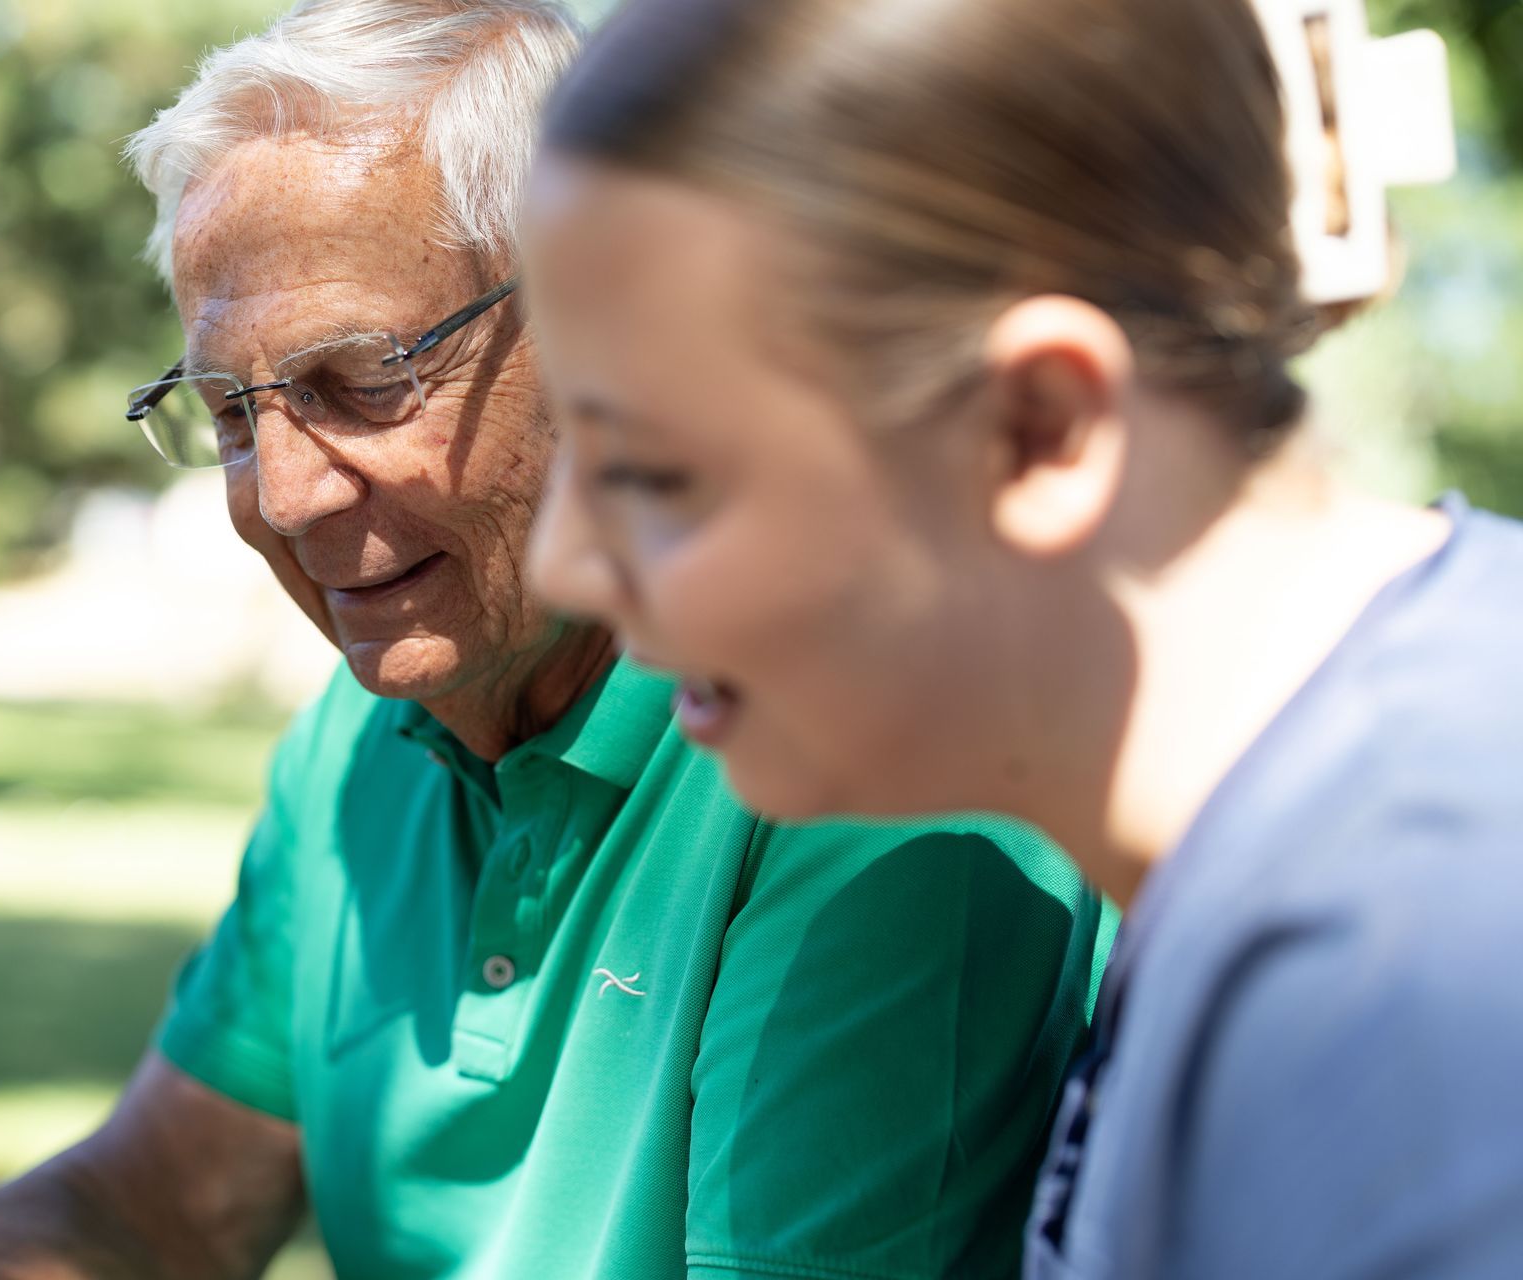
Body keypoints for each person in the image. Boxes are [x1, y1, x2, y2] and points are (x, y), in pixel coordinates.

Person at [0, 3, 1112, 1279]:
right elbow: (160, 1202)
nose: (285, 495)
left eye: (363, 380)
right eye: (230, 412)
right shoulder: (362, 739)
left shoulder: (867, 762)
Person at [521, 0, 1523, 1275]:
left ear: (1042, 430)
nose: (563, 562)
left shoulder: (1411, 979)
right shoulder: (1287, 870)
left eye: (653, 474)